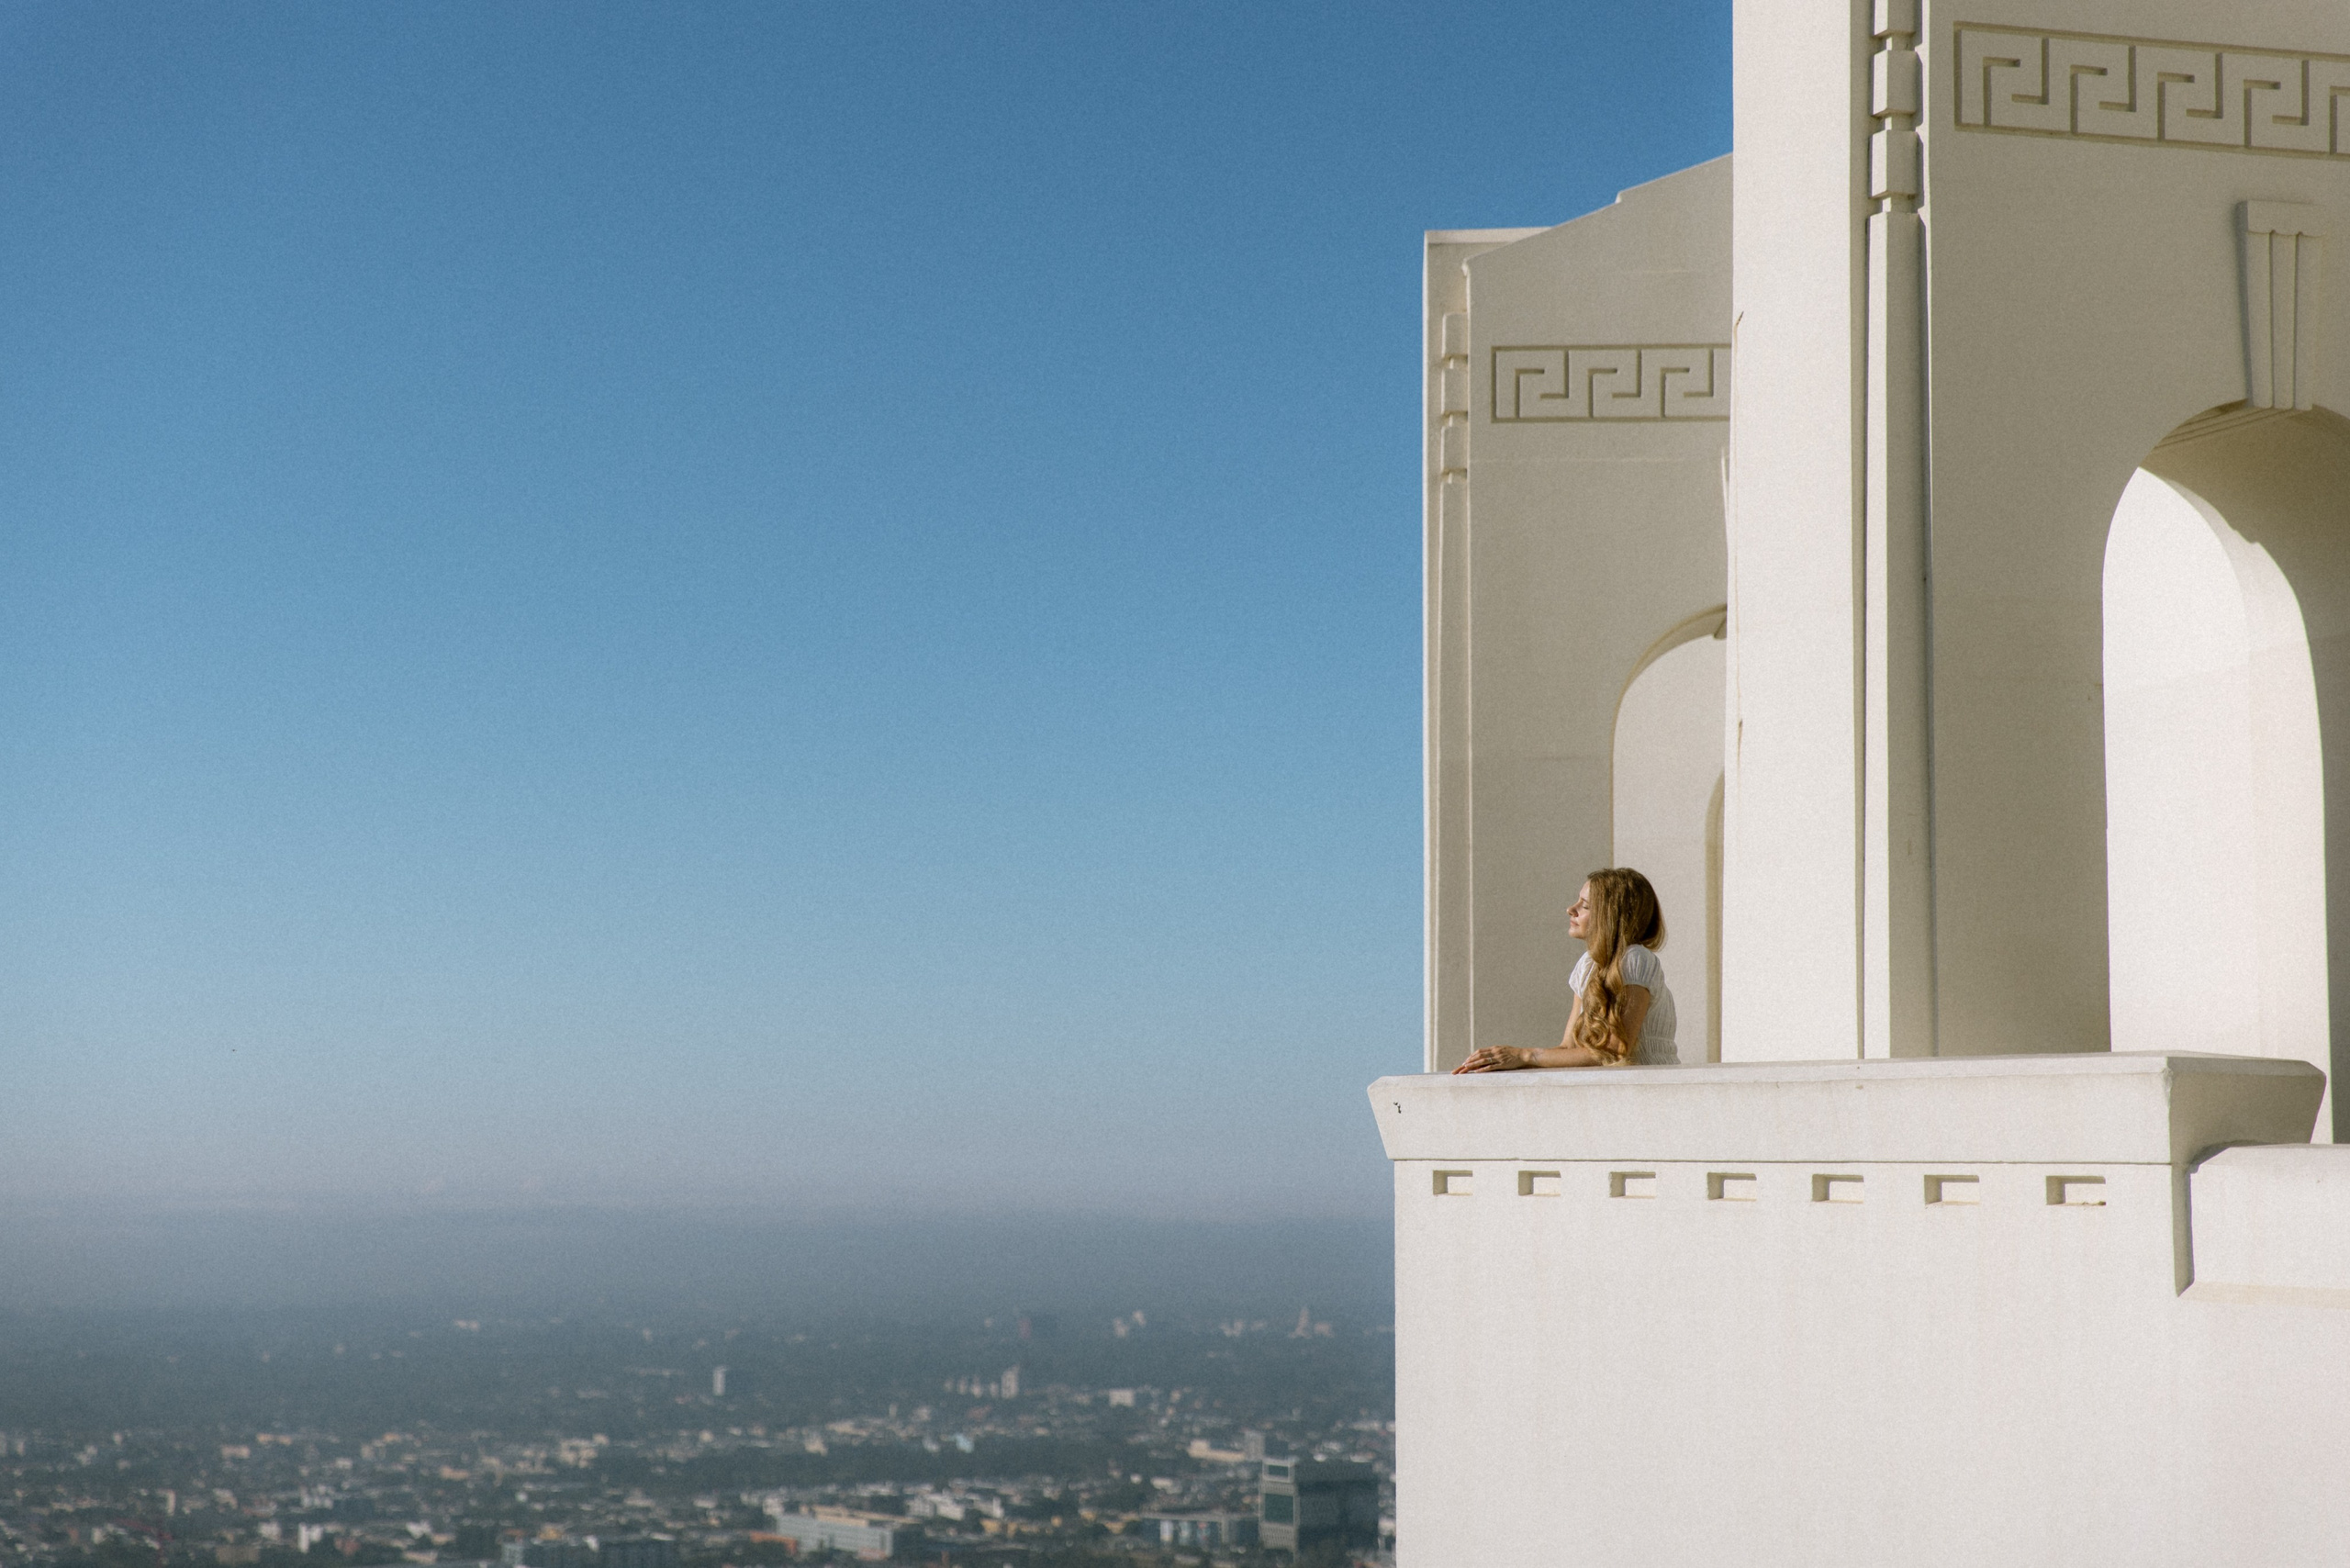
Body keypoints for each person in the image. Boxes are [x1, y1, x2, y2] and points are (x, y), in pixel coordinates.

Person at [1452, 867, 1678, 1070]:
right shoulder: (1588, 964)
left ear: (1612, 917)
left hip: (1649, 1097)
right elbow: (1568, 1047)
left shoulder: (1636, 958)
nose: (1571, 909)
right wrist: (1506, 1060)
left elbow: (1615, 1049)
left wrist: (1526, 1054)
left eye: (1586, 906)